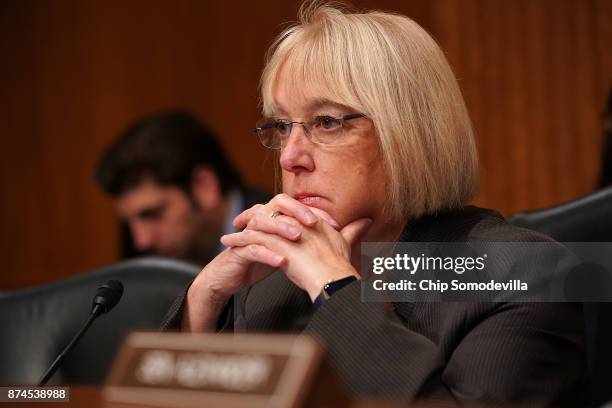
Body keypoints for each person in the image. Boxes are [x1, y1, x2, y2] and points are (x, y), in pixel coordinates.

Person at [162, 3, 584, 406]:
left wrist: (337, 290)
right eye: (281, 127)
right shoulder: (268, 290)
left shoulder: (527, 273)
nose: (290, 157)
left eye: (327, 122)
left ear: (409, 133)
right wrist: (203, 303)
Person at [95, 111, 270, 266]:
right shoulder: (146, 263)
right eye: (129, 223)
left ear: (204, 187)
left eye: (153, 214)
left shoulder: (276, 242)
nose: (141, 241)